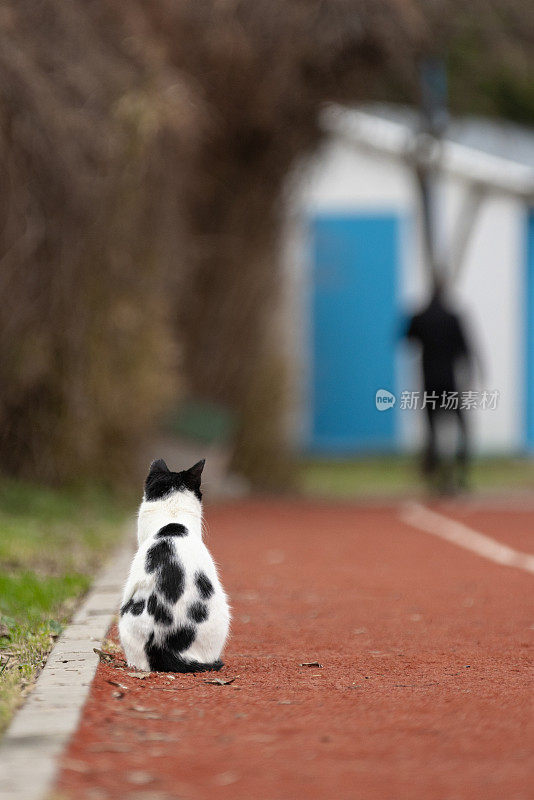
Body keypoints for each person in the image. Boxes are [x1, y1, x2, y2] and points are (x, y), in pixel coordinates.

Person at [404, 280, 474, 493]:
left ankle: (433, 473)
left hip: (429, 382)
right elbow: (466, 349)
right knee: (462, 427)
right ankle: (459, 471)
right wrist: (471, 374)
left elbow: (407, 339)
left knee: (432, 430)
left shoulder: (420, 316)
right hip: (449, 382)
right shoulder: (453, 317)